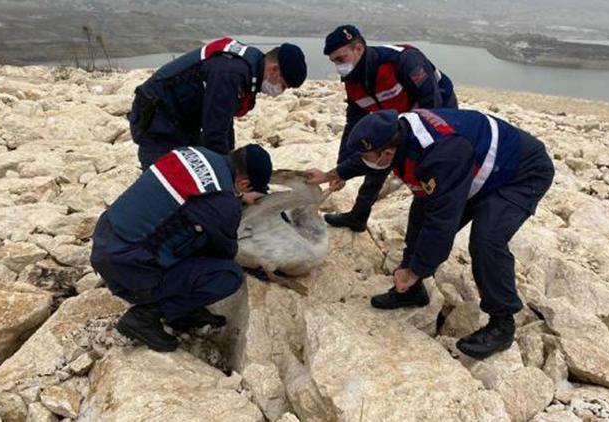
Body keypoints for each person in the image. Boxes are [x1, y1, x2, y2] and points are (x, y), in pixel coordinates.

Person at [306, 108, 554, 359]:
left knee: (486, 240)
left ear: (389, 152)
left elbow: (442, 222)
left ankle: (502, 323)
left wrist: (416, 269)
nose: (366, 159)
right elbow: (369, 158)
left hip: (521, 172)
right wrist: (333, 174)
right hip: (476, 166)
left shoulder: (442, 153)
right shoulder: (395, 135)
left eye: (370, 155)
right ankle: (412, 291)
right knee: (419, 216)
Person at [90, 144, 273, 352]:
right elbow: (225, 252)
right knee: (226, 274)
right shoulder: (222, 202)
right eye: (249, 188)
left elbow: (199, 200)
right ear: (244, 183)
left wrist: (236, 198)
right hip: (128, 266)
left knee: (190, 232)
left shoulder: (193, 153)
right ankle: (146, 316)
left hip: (107, 240)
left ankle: (182, 311)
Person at [322, 24, 458, 232]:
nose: (338, 66)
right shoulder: (353, 82)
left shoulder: (402, 61)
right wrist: (340, 170)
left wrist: (419, 143)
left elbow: (432, 103)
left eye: (340, 59)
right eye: (333, 62)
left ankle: (428, 230)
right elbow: (355, 126)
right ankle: (359, 216)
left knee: (423, 166)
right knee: (378, 155)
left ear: (358, 48)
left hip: (437, 108)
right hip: (396, 118)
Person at [128, 37, 307, 168]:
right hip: (159, 117)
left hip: (183, 117)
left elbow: (224, 116)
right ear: (274, 69)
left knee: (195, 168)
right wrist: (228, 175)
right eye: (282, 85)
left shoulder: (249, 66)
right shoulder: (232, 73)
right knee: (164, 179)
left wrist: (229, 155)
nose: (278, 92)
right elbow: (214, 131)